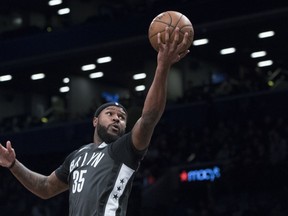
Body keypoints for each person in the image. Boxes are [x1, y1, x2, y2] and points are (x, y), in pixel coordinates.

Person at [0, 27, 190, 216]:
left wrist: (163, 67)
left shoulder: (124, 149)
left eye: (122, 117)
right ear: (95, 121)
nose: (117, 118)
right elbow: (44, 188)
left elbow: (149, 118)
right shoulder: (76, 156)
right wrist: (13, 164)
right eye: (111, 113)